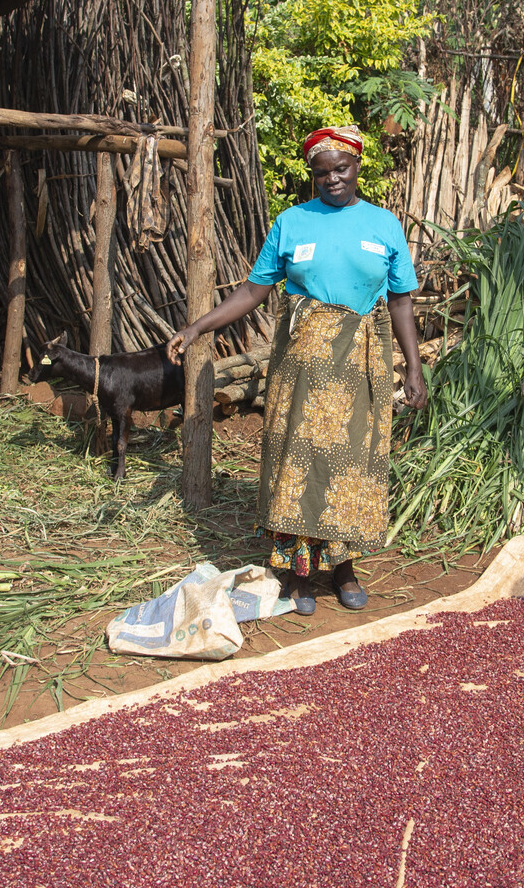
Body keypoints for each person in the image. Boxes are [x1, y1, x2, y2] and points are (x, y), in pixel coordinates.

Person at [167, 125, 429, 614]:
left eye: (341, 169)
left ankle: (343, 568)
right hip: (301, 369)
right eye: (322, 172)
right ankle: (298, 574)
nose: (332, 179)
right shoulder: (291, 223)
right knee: (298, 461)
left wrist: (413, 368)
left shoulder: (383, 225)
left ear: (357, 168)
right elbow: (252, 292)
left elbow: (400, 300)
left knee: (352, 465)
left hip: (360, 370)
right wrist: (197, 327)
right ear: (312, 175)